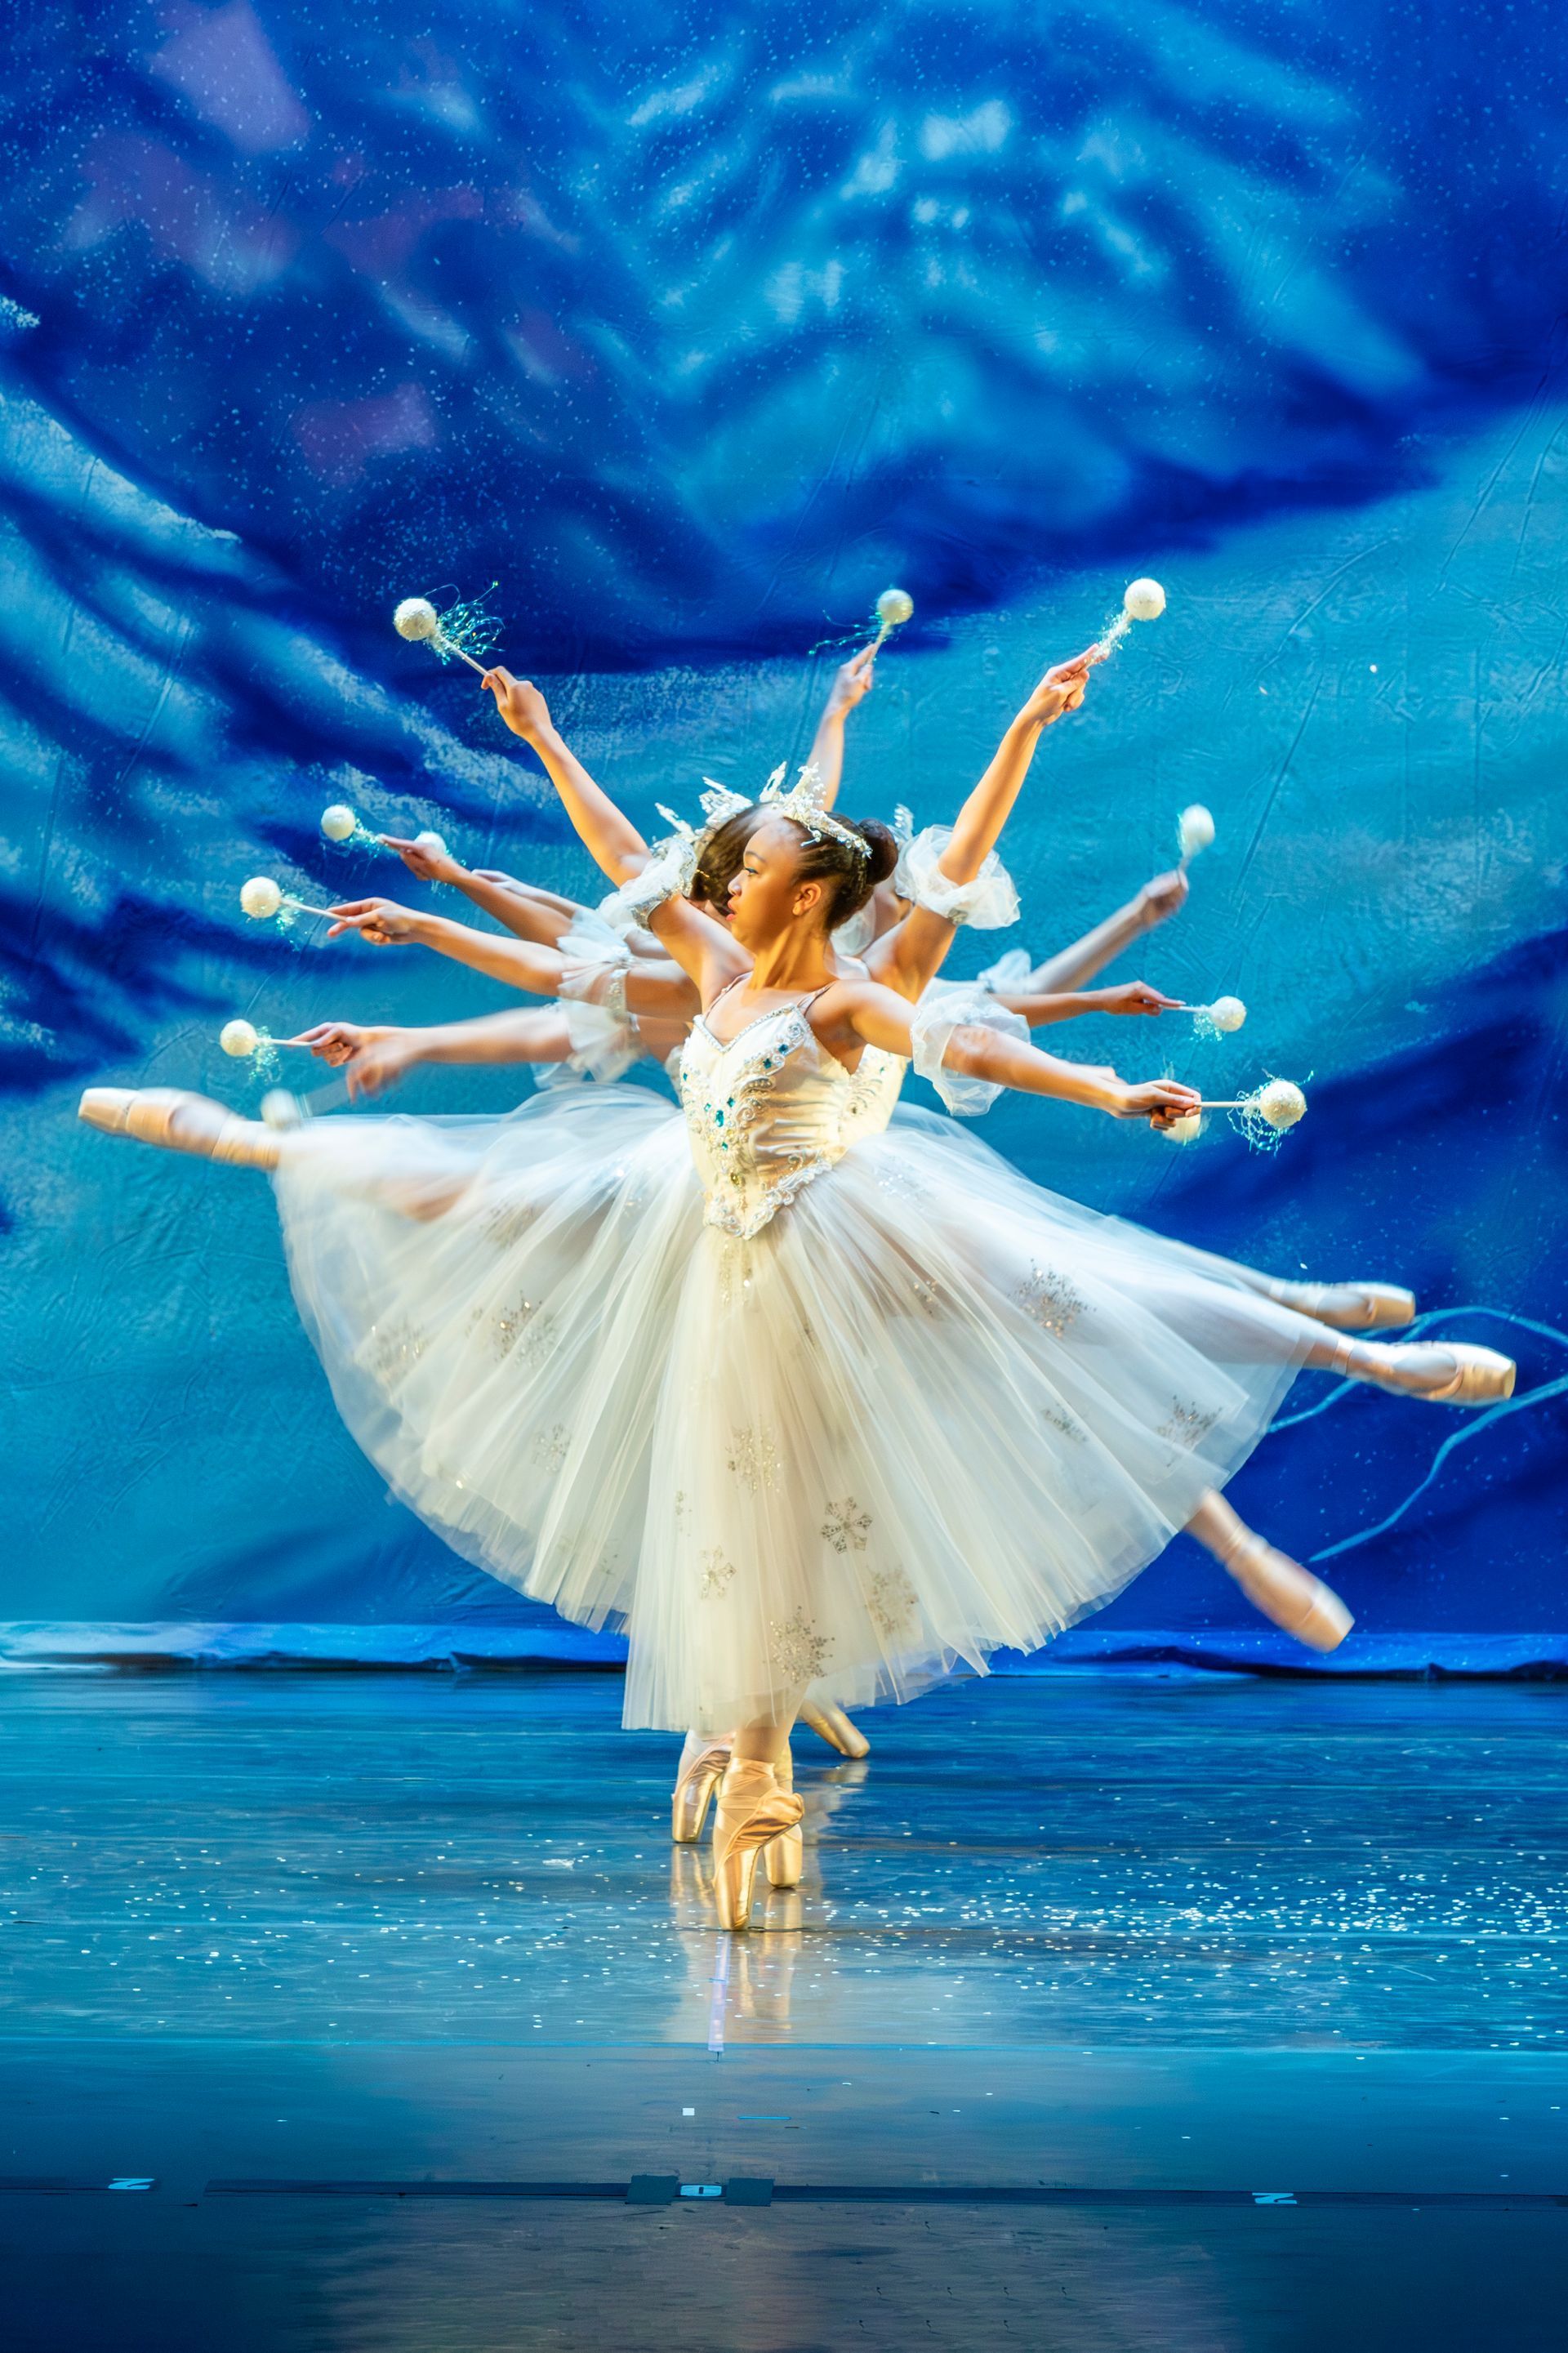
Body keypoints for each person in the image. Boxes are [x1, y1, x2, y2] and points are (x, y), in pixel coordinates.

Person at [78, 686, 1514, 1931]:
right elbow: (615, 867)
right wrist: (544, 736)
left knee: (1078, 1309)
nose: (720, 874)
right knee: (552, 1271)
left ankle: (1353, 1351)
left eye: (750, 862)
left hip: (840, 1231)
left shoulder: (850, 998)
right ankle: (250, 1142)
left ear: (809, 893)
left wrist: (1101, 1073)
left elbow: (956, 1030)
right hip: (707, 1229)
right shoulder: (710, 969)